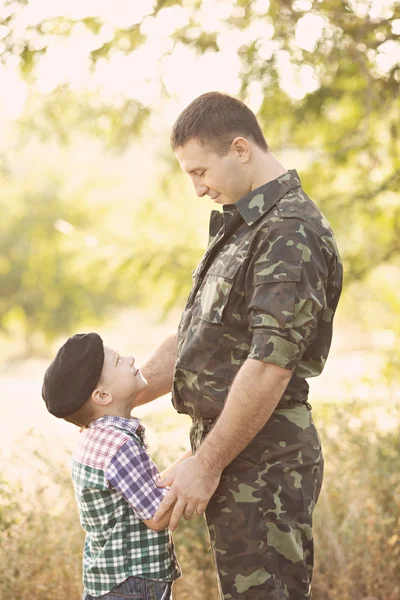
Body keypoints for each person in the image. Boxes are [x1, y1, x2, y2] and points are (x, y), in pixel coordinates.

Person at [133, 91, 343, 600]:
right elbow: (197, 337)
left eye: (200, 172)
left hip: (264, 462)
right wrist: (119, 397)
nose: (198, 188)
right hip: (233, 452)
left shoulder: (289, 231)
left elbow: (271, 366)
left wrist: (206, 465)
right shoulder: (244, 225)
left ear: (241, 149)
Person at [41, 332, 182, 600]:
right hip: (133, 582)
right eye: (118, 360)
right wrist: (199, 455)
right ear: (103, 395)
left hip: (111, 581)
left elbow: (144, 493)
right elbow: (157, 517)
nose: (130, 359)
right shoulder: (120, 446)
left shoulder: (95, 439)